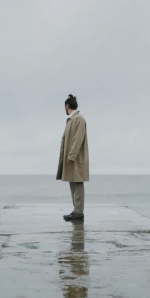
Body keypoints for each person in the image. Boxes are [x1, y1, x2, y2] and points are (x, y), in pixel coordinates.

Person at [56, 94, 89, 222]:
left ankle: (79, 212)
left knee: (77, 183)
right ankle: (76, 210)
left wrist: (71, 155)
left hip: (76, 158)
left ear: (67, 106)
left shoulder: (78, 119)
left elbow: (78, 139)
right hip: (71, 158)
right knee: (73, 182)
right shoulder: (72, 119)